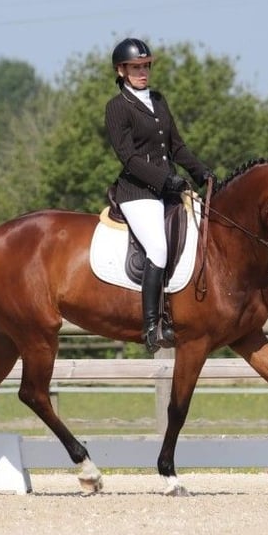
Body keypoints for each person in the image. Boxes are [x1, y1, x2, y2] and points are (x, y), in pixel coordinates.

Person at [104, 37, 214, 354]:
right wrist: (166, 180)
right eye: (136, 67)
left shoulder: (159, 100)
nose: (143, 72)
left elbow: (176, 146)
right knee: (158, 248)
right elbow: (129, 158)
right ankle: (152, 326)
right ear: (121, 70)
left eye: (146, 66)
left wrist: (201, 172)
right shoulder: (117, 107)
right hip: (138, 192)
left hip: (167, 190)